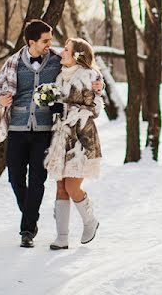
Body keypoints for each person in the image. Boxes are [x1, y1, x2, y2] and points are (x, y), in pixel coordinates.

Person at [0, 20, 102, 248]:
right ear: (32, 42)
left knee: (38, 180)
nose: (51, 44)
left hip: (45, 131)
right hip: (17, 128)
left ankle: (28, 230)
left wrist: (100, 85)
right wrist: (1, 101)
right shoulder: (13, 63)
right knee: (15, 178)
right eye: (46, 40)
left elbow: (86, 69)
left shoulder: (57, 60)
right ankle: (30, 214)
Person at [44, 37, 104, 250]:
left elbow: (95, 109)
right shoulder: (60, 77)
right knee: (60, 187)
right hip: (62, 137)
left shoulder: (90, 76)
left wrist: (70, 110)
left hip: (81, 138)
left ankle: (90, 221)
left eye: (67, 50)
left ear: (78, 55)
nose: (62, 52)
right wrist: (52, 105)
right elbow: (58, 106)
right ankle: (61, 237)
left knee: (72, 186)